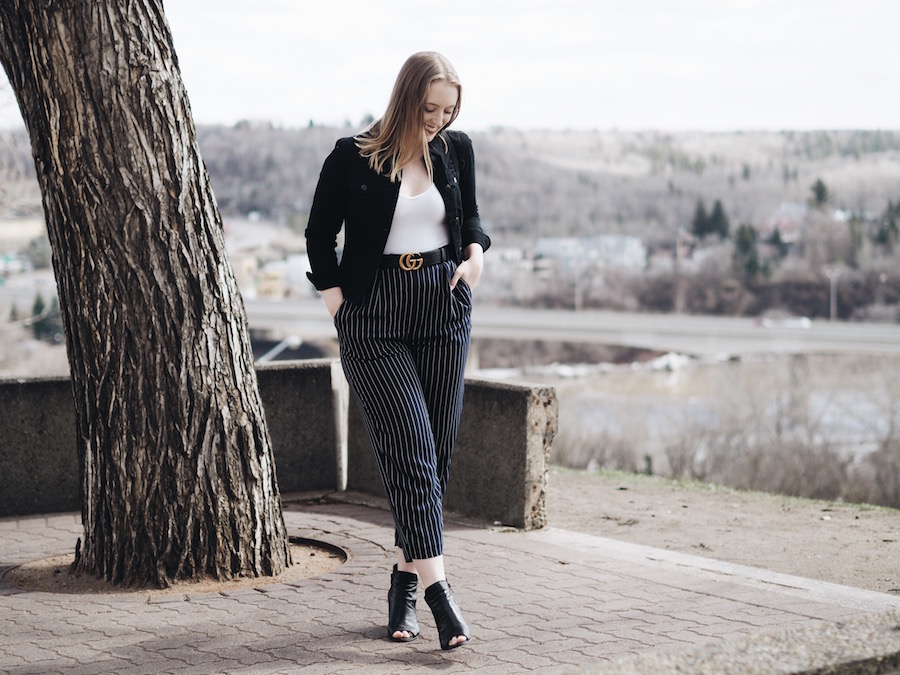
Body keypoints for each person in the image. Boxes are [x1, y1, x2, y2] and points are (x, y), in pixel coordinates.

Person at [304, 52, 490, 650]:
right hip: (374, 313)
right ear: (406, 98)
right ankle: (439, 594)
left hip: (443, 304)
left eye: (449, 108)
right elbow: (317, 234)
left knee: (433, 458)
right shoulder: (353, 156)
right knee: (409, 448)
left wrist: (475, 255)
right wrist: (337, 302)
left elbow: (472, 223)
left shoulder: (456, 150)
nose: (438, 119)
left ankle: (402, 585)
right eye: (430, 107)